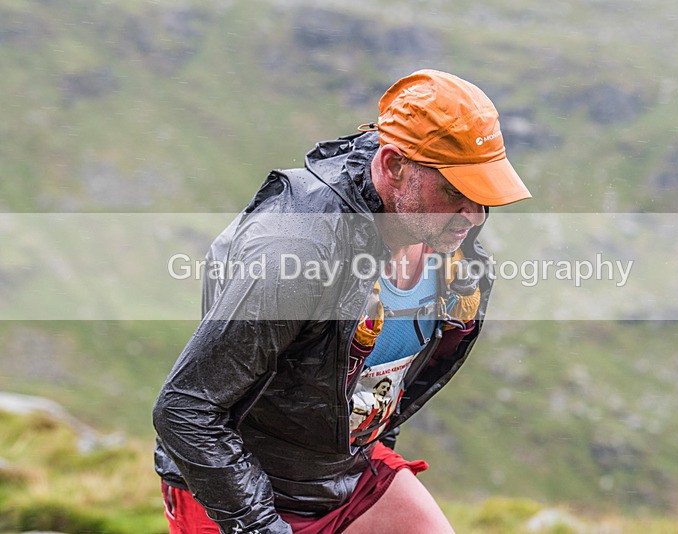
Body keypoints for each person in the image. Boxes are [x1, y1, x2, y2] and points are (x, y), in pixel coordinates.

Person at [153, 69, 531, 534]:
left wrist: (373, 437)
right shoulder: (296, 249)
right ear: (393, 165)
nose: (474, 216)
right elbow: (184, 409)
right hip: (232, 492)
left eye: (484, 192)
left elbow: (388, 380)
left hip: (347, 474)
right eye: (455, 191)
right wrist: (259, 526)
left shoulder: (453, 249)